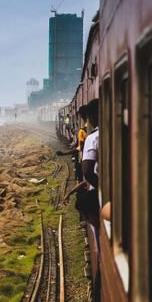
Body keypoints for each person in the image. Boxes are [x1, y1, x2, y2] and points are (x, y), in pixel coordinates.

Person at [63, 99, 99, 230]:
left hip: (98, 192)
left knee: (83, 202)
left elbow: (88, 172)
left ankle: (84, 221)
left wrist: (103, 190)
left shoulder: (91, 136)